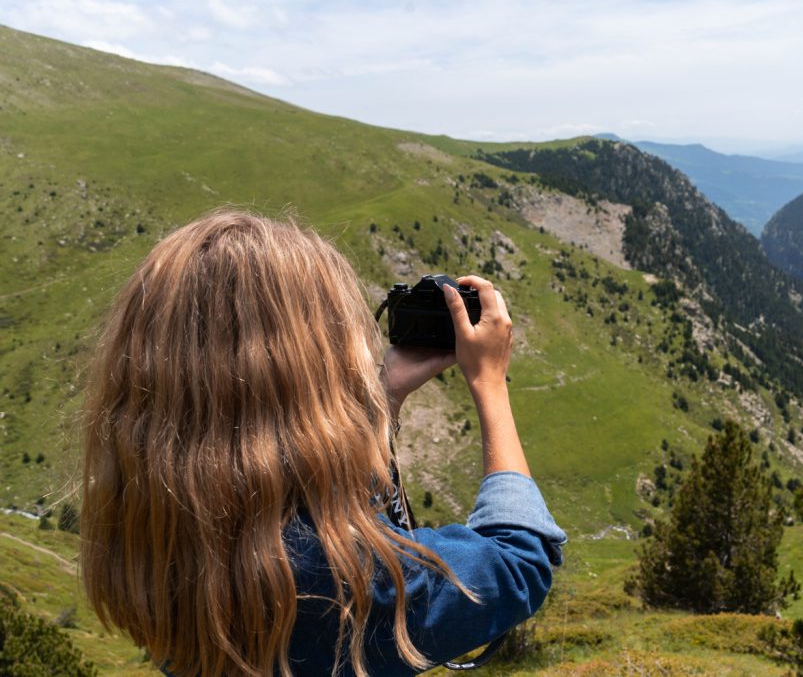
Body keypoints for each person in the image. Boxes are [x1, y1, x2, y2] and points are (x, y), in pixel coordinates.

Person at [79, 210, 566, 676]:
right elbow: (520, 561)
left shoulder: (150, 526)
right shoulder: (344, 578)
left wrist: (385, 399)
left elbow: (290, 486)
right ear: (311, 375)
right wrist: (489, 383)